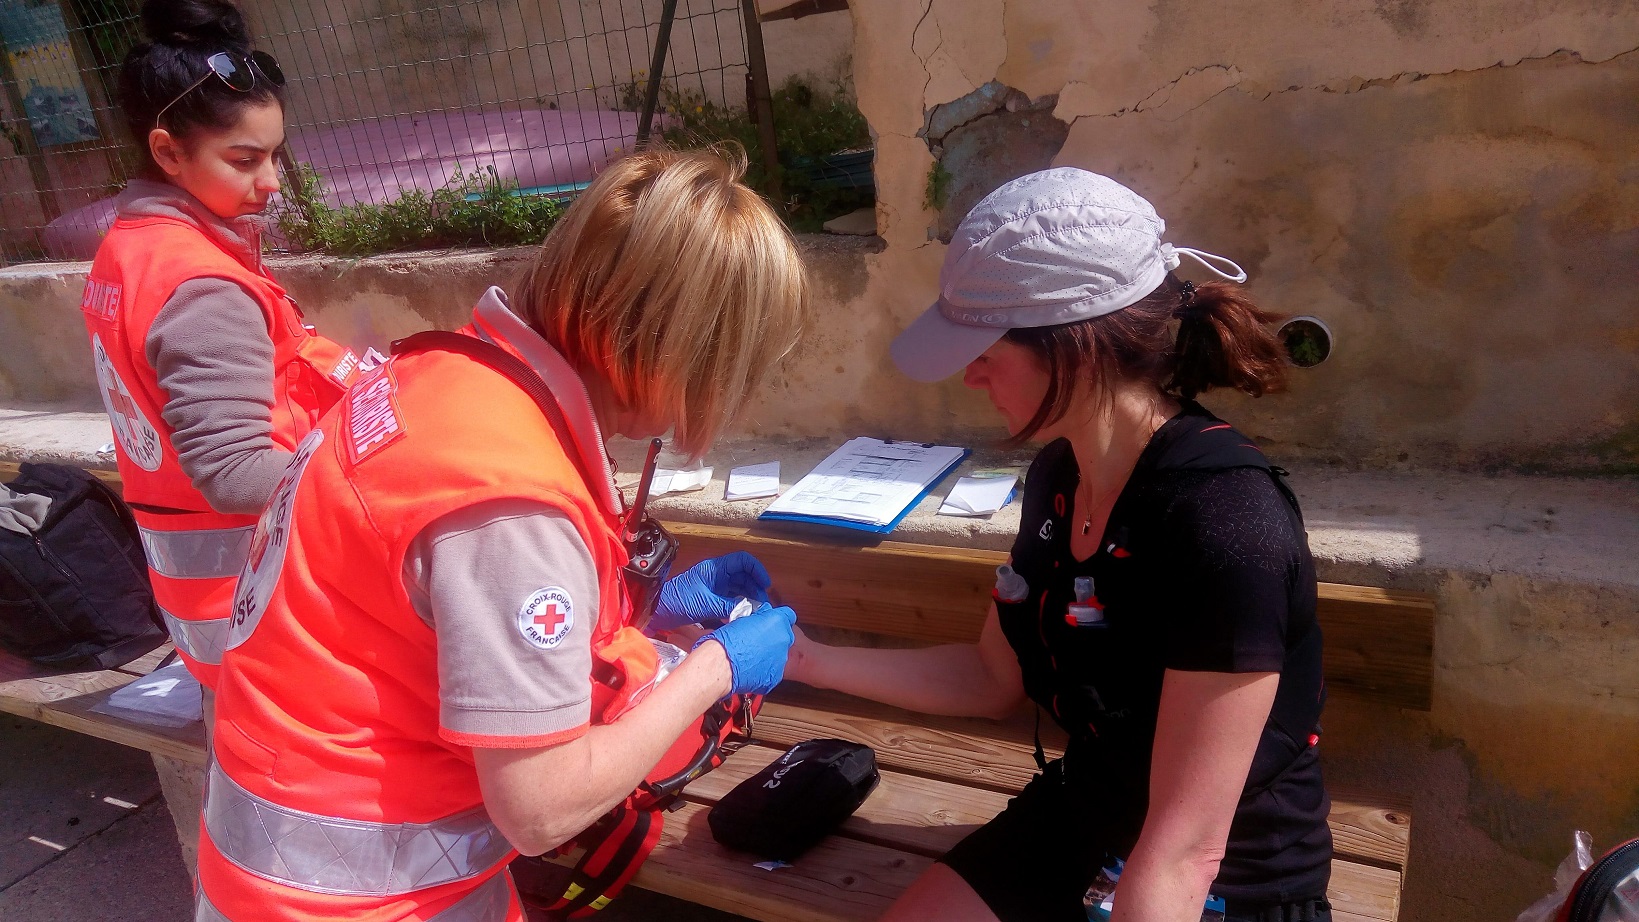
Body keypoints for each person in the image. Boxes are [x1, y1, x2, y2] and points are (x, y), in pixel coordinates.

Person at [197, 147, 808, 921]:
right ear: (675, 351)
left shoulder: (444, 383)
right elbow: (540, 809)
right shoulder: (513, 505)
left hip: (277, 867)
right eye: (731, 366)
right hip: (367, 901)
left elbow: (424, 613)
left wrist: (637, 604)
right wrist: (714, 669)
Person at [786, 168, 1333, 922]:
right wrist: (798, 657)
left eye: (985, 345)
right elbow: (989, 677)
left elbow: (1184, 852)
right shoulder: (1058, 473)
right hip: (1088, 812)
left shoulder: (1225, 520)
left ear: (1076, 344)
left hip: (1229, 870)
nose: (970, 373)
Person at [83, 0, 360, 692]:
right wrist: (374, 489)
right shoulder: (201, 285)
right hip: (264, 603)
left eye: (274, 156)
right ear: (168, 150)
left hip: (211, 609)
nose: (269, 182)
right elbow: (235, 469)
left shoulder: (131, 249)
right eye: (245, 160)